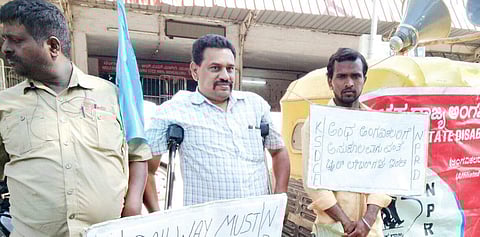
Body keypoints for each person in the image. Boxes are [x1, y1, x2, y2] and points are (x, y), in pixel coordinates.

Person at [0, 0, 151, 236]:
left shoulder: (112, 95)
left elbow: (138, 154)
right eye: (4, 39)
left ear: (52, 46)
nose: (5, 49)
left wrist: (131, 212)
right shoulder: (4, 105)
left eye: (16, 40)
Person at [144, 34, 290, 209]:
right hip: (207, 225)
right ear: (195, 70)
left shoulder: (255, 105)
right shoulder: (174, 110)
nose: (225, 76)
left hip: (257, 221)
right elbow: (147, 169)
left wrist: (280, 198)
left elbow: (279, 152)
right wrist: (158, 218)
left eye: (229, 69)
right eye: (215, 68)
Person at [302, 48, 392, 237]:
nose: (349, 83)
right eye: (342, 76)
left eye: (356, 76)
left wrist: (367, 221)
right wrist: (346, 223)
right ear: (330, 81)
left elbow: (385, 175)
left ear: (364, 80)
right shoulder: (316, 124)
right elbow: (313, 184)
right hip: (333, 230)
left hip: (371, 231)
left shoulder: (378, 124)